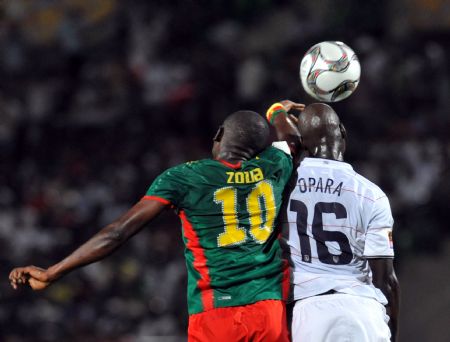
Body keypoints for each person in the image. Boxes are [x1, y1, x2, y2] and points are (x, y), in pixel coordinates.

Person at [9, 105, 304, 341]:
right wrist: (278, 110)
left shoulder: (184, 177)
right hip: (269, 309)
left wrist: (53, 272)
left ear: (219, 134)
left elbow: (117, 233)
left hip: (215, 315)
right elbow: (291, 140)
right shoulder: (274, 166)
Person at [282, 103, 400, 342]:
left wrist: (276, 113)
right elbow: (386, 280)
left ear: (302, 143)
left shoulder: (283, 186)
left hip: (308, 313)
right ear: (343, 132)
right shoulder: (371, 194)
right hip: (362, 309)